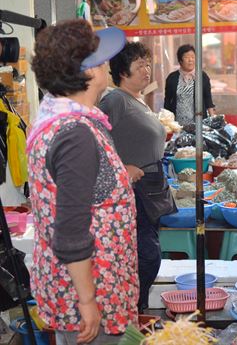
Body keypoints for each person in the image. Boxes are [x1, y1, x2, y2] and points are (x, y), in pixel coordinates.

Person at [27, 20, 138, 344]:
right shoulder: (75, 133)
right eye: (102, 60)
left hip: (77, 288)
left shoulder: (57, 117)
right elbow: (71, 230)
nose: (107, 65)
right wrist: (88, 301)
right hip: (89, 296)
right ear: (88, 74)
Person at [99, 42, 170, 313]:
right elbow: (97, 142)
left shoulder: (137, 99)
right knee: (148, 256)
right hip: (133, 192)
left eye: (147, 63)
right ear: (121, 71)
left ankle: (135, 310)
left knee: (145, 254)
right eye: (139, 65)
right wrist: (122, 167)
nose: (146, 69)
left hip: (149, 191)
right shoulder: (115, 99)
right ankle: (131, 308)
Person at [163, 44, 215, 126]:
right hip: (177, 125)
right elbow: (167, 101)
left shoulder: (202, 76)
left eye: (193, 57)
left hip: (198, 125)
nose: (190, 60)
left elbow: (208, 99)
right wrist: (167, 122)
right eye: (186, 57)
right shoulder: (172, 78)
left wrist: (212, 119)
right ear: (180, 60)